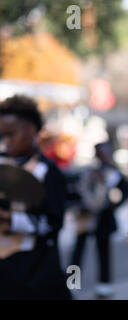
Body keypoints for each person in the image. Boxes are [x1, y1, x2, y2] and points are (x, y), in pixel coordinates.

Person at [0, 95, 71, 300]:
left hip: (35, 273)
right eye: (2, 135)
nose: (5, 141)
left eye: (11, 134)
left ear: (32, 129)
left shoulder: (48, 172)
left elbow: (53, 223)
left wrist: (10, 219)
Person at [71, 141, 128, 299]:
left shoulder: (114, 172)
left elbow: (125, 191)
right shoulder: (88, 171)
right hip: (85, 216)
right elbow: (76, 191)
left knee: (103, 251)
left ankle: (104, 284)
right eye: (100, 151)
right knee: (78, 251)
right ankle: (72, 283)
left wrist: (115, 204)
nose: (103, 154)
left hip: (104, 218)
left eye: (105, 151)